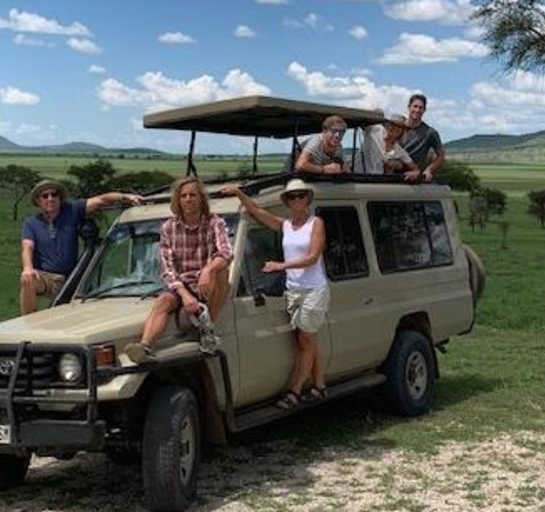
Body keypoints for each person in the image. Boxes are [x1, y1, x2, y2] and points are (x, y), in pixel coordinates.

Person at [221, 179, 330, 409]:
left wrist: (280, 266)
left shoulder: (315, 223)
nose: (296, 200)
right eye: (292, 197)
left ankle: (295, 391)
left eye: (300, 195)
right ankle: (319, 386)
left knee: (305, 340)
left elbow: (312, 257)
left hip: (313, 290)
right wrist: (240, 194)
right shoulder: (287, 225)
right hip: (294, 290)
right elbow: (258, 212)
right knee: (308, 341)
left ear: (307, 198)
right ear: (288, 202)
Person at [125, 177, 233, 364]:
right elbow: (168, 268)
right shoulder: (168, 227)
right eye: (183, 195)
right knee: (163, 301)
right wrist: (184, 295)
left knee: (220, 268)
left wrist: (208, 270)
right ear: (178, 200)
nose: (188, 199)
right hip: (182, 286)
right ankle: (144, 347)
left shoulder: (215, 223)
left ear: (201, 198)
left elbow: (226, 252)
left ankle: (208, 331)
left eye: (193, 194)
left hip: (208, 285)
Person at [20, 179, 143, 314]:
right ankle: (28, 320)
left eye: (54, 194)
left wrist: (126, 197)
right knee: (28, 279)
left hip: (71, 276)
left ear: (60, 198)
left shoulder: (72, 211)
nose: (50, 199)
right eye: (45, 196)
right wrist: (27, 268)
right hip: (47, 277)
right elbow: (27, 248)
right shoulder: (31, 223)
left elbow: (100, 200)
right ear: (38, 201)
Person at [355, 114, 421, 180]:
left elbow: (415, 169)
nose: (395, 128)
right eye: (392, 124)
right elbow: (363, 122)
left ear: (402, 132)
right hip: (356, 176)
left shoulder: (399, 151)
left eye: (400, 127)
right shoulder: (375, 129)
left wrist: (415, 173)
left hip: (376, 180)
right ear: (386, 125)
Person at [401, 94, 446, 182]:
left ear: (424, 110)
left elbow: (441, 156)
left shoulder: (430, 132)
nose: (417, 110)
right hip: (392, 173)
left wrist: (429, 170)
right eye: (415, 106)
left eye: (421, 108)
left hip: (414, 177)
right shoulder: (397, 127)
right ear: (409, 107)